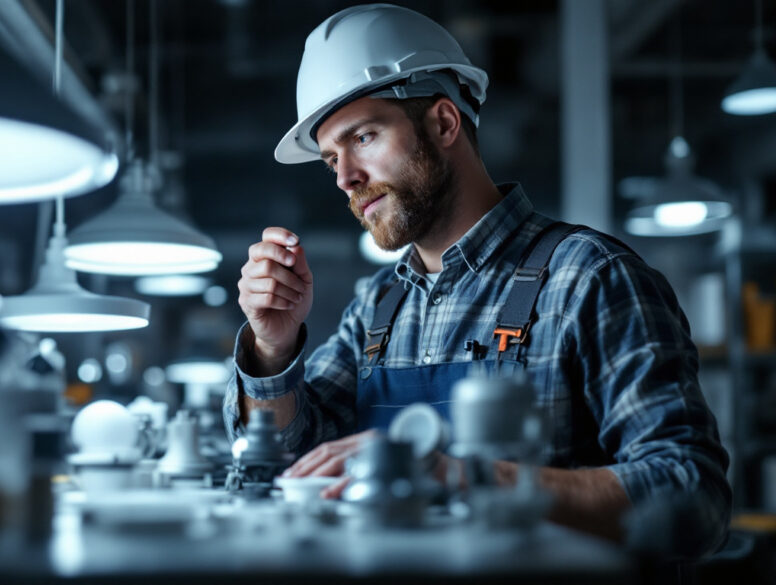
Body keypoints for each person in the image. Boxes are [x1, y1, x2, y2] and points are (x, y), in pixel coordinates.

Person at [222, 3, 729, 556]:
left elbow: (691, 498)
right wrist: (271, 348)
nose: (346, 178)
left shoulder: (589, 278)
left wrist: (463, 477)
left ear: (444, 122)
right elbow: (292, 465)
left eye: (363, 137)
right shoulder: (379, 306)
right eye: (330, 160)